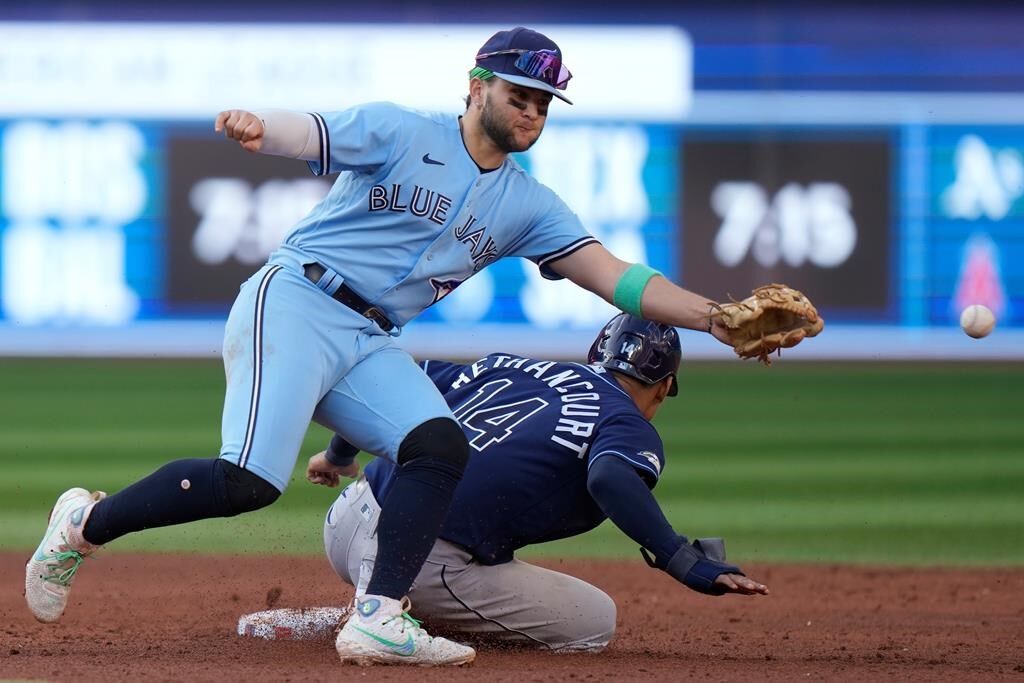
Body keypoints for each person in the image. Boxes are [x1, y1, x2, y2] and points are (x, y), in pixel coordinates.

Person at [26, 26, 737, 667]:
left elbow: (618, 278)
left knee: (438, 444)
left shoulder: (528, 206)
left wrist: (717, 317)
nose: (532, 112)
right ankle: (84, 523)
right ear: (477, 85)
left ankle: (378, 617)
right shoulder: (404, 130)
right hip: (298, 299)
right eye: (521, 94)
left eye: (545, 103)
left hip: (368, 337)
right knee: (249, 482)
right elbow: (313, 131)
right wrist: (258, 125)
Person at [311, 314, 768, 651]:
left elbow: (399, 383)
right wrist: (681, 559)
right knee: (594, 620)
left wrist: (337, 455)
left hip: (346, 522)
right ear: (665, 386)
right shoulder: (624, 421)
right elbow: (610, 477)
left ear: (596, 356)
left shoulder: (510, 365)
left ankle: (374, 599)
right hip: (421, 564)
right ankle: (387, 617)